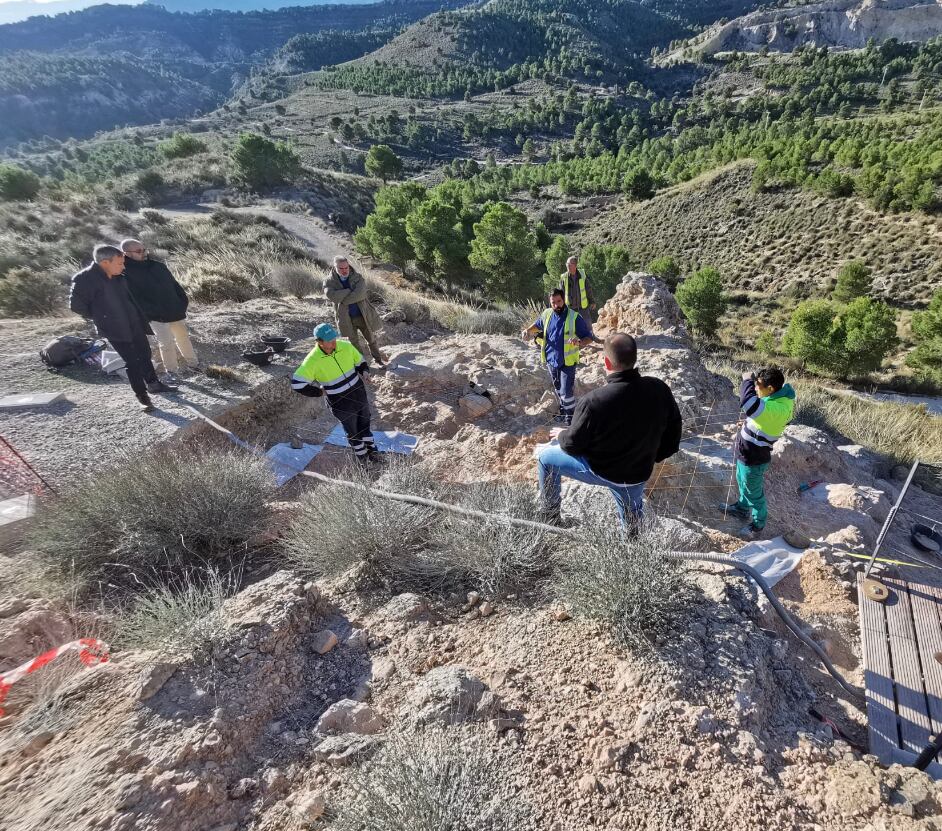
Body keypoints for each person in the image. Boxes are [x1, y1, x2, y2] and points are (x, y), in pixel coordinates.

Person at [536, 333, 682, 528]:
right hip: (637, 474)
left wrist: (561, 434)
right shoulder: (659, 388)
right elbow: (674, 429)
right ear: (635, 358)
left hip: (602, 471)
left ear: (606, 362)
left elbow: (572, 445)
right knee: (632, 523)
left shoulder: (593, 401)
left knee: (545, 458)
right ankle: (632, 546)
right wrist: (654, 456)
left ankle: (550, 518)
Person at [69, 245, 176, 413]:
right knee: (132, 362)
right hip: (114, 328)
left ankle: (154, 384)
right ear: (105, 262)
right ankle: (142, 397)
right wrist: (102, 316)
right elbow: (76, 306)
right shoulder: (84, 279)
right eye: (119, 263)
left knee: (145, 354)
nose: (123, 266)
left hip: (134, 322)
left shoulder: (119, 276)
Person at [290, 322, 381, 466]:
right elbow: (297, 384)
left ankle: (373, 452)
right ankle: (363, 460)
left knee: (364, 425)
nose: (334, 343)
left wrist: (365, 371)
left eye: (334, 338)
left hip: (359, 395)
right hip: (341, 403)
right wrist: (319, 392)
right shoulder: (312, 360)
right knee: (353, 432)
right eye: (329, 341)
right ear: (319, 342)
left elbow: (360, 361)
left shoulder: (345, 346)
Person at [721, 368, 796, 539]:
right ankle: (741, 508)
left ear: (770, 388)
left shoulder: (779, 408)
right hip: (746, 452)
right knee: (742, 481)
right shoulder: (775, 397)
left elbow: (749, 405)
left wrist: (746, 380)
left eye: (758, 385)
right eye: (754, 384)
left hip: (755, 457)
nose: (755, 388)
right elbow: (759, 413)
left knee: (754, 494)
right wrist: (753, 423)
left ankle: (757, 524)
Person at [121, 239, 197, 380]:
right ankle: (172, 372)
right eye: (139, 251)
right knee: (166, 342)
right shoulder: (125, 273)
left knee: (183, 338)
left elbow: (175, 286)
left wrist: (182, 302)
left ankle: (194, 365)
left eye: (144, 249)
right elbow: (134, 298)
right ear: (126, 253)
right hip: (155, 316)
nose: (143, 253)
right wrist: (150, 313)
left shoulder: (158, 266)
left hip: (174, 311)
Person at [522, 288, 593, 425]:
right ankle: (562, 410)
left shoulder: (574, 317)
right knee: (558, 388)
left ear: (564, 300)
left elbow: (588, 337)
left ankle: (570, 418)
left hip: (568, 361)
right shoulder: (547, 314)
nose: (556, 305)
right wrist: (528, 330)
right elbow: (538, 325)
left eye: (559, 301)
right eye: (553, 302)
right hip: (551, 359)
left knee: (566, 391)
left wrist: (579, 342)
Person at [324, 255, 387, 366]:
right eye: (341, 268)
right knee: (353, 343)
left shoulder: (357, 277)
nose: (344, 271)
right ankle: (361, 364)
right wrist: (349, 290)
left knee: (371, 339)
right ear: (335, 268)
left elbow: (360, 294)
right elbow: (332, 296)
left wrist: (343, 299)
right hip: (345, 317)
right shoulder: (329, 281)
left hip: (362, 314)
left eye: (346, 268)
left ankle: (378, 360)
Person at [559, 255, 597, 337]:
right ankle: (575, 342)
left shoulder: (582, 275)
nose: (567, 265)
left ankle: (591, 338)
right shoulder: (564, 277)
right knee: (571, 327)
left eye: (570, 264)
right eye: (567, 264)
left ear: (575, 265)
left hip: (583, 306)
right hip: (570, 307)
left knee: (587, 324)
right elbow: (561, 293)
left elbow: (588, 289)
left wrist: (592, 301)